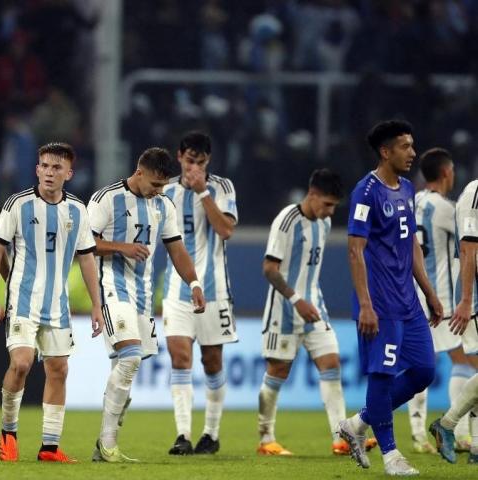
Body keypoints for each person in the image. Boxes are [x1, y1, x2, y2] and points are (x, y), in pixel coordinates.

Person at [0, 142, 102, 464]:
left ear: (68, 173)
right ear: (37, 169)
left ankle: (49, 447)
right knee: (21, 363)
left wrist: (95, 304)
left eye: (56, 168)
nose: (49, 172)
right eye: (45, 166)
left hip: (58, 306)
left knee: (59, 369)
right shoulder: (18, 205)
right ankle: (8, 433)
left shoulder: (77, 210)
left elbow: (88, 258)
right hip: (22, 301)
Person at [87, 147, 205, 462]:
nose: (158, 191)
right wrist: (121, 247)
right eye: (154, 184)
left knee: (124, 370)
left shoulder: (163, 206)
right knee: (130, 358)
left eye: (163, 186)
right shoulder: (106, 199)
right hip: (111, 289)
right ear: (139, 172)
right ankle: (107, 444)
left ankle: (106, 443)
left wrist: (193, 283)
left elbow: (178, 250)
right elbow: (82, 245)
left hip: (142, 297)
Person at [339, 119, 443, 476]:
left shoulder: (407, 189)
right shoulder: (365, 192)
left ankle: (358, 424)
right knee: (381, 377)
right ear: (386, 152)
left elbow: (411, 243)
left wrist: (429, 292)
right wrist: (365, 304)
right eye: (405, 146)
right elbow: (355, 250)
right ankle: (391, 456)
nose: (413, 153)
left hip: (408, 302)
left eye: (412, 145)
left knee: (424, 372)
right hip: (379, 303)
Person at [257, 168, 367, 456]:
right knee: (277, 371)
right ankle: (266, 439)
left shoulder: (325, 223)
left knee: (331, 365)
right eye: (327, 203)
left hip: (314, 307)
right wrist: (296, 300)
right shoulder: (286, 220)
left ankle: (341, 438)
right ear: (312, 194)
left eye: (333, 205)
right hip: (284, 309)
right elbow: (269, 268)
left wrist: (307, 301)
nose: (330, 210)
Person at [161, 132, 237, 455]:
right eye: (191, 161)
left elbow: (226, 230)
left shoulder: (222, 187)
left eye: (202, 163)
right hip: (177, 291)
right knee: (180, 357)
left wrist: (203, 191)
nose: (195, 168)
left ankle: (212, 433)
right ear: (179, 157)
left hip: (215, 290)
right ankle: (183, 435)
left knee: (212, 361)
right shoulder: (164, 191)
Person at [407, 148, 476, 453]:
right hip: (442, 300)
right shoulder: (448, 209)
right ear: (447, 172)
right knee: (463, 360)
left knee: (420, 364)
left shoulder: (413, 202)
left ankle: (420, 433)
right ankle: (459, 433)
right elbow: (468, 245)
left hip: (413, 294)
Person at [428, 172, 478, 465]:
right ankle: (447, 426)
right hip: (475, 297)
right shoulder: (474, 192)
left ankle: (471, 445)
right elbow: (469, 248)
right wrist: (467, 300)